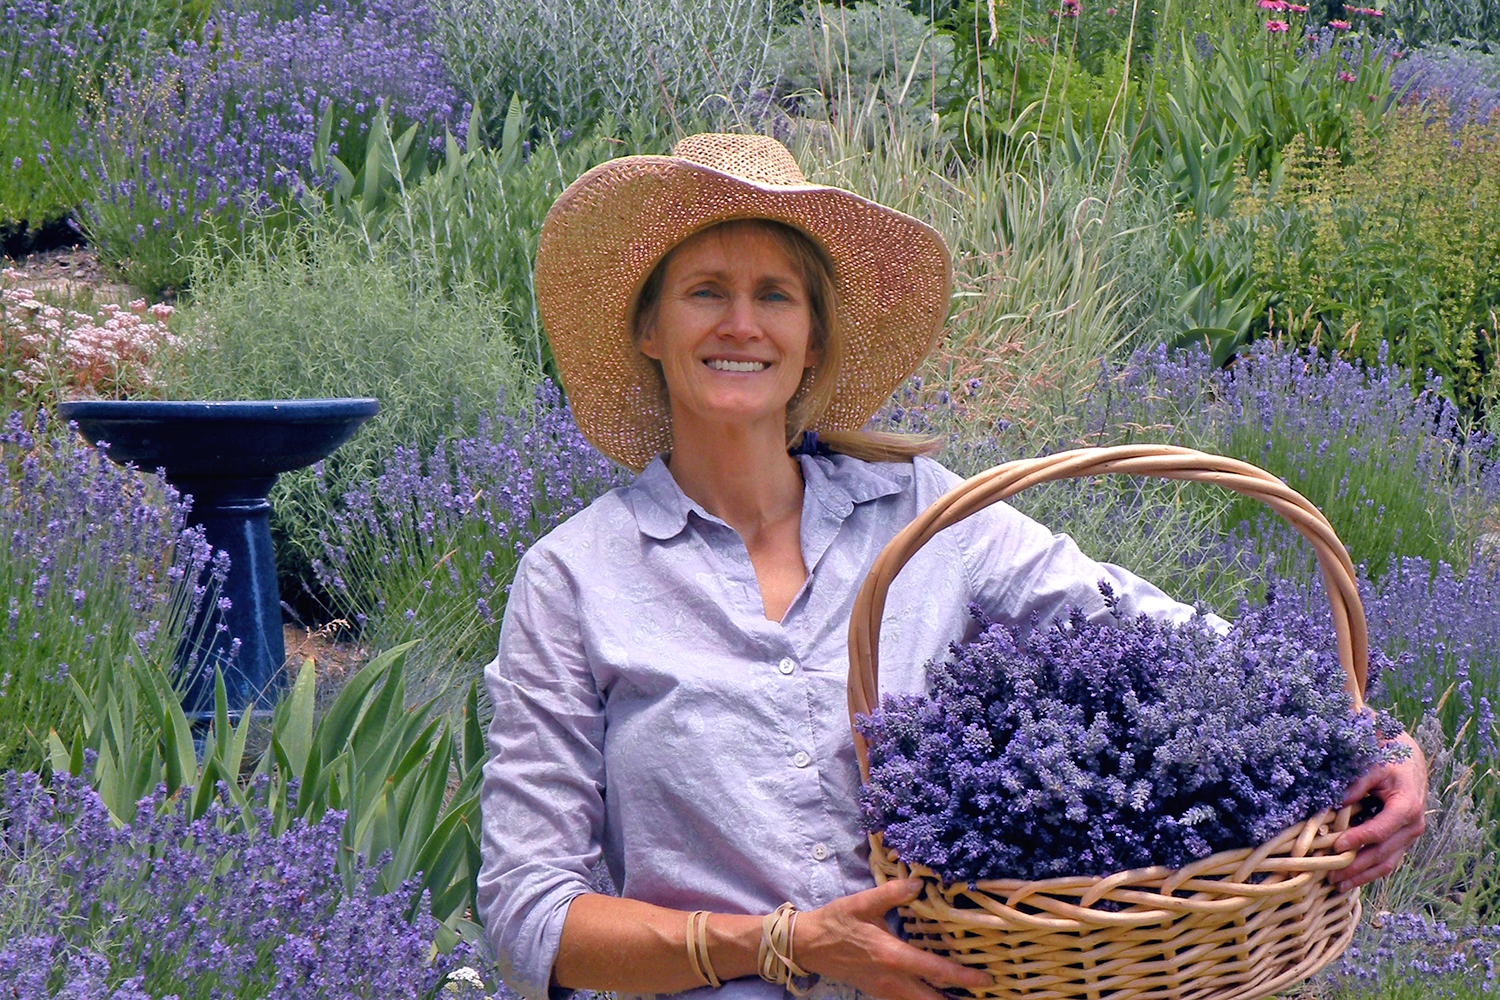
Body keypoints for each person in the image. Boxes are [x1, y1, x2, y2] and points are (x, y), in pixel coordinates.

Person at [476, 133, 1427, 1000]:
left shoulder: (928, 512)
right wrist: (788, 942)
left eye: (775, 295)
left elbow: (1139, 624)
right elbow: (531, 916)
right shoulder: (574, 579)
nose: (741, 323)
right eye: (704, 291)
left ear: (812, 340)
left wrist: (1375, 739)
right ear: (649, 329)